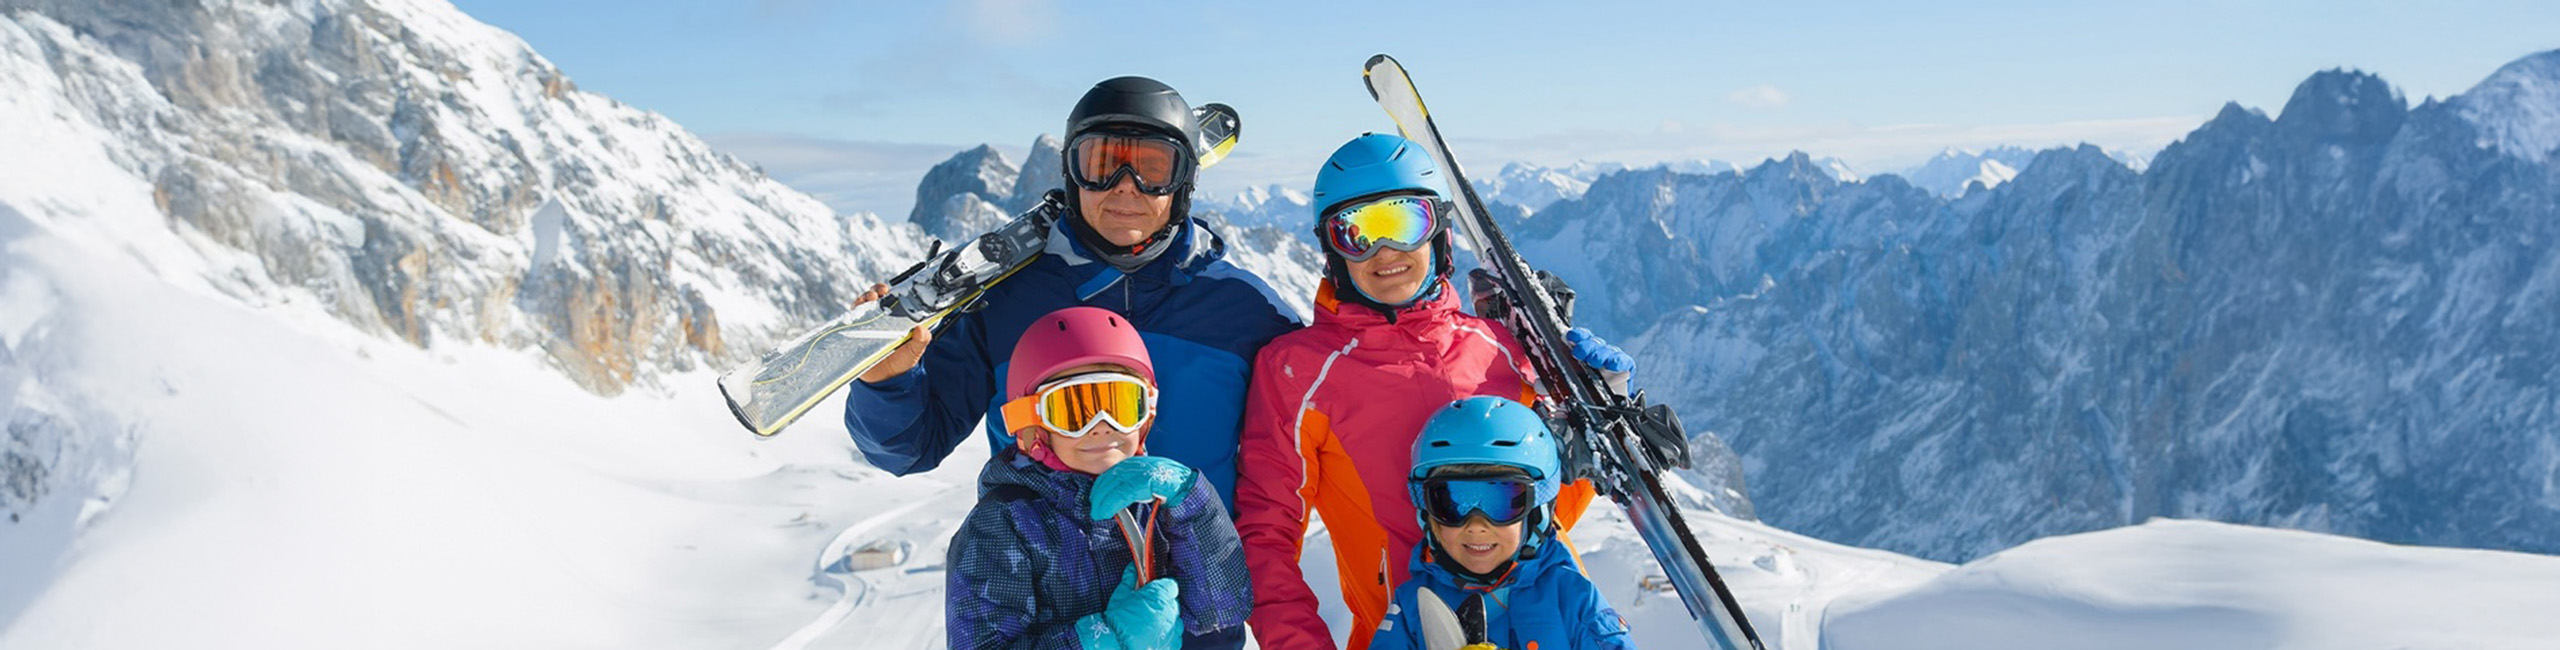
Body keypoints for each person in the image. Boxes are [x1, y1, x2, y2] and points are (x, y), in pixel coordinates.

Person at [1234, 133, 1634, 650]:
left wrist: (1604, 421)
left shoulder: (1500, 346)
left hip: (1552, 629)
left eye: (1404, 223)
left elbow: (1533, 505)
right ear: (1331, 250)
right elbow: (1266, 539)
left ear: (1439, 232)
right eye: (1355, 232)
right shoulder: (1299, 373)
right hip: (1407, 634)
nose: (1385, 252)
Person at [842, 76, 1299, 510]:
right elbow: (910, 448)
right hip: (1040, 580)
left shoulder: (1247, 311)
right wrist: (887, 384)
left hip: (1200, 576)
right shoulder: (1004, 300)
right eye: (1101, 164)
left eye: (1153, 169)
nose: (1125, 185)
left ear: (1183, 184)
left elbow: (1321, 429)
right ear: (1071, 173)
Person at [947, 306, 1253, 650]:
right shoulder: (1004, 524)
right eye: (1075, 410)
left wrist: (1194, 504)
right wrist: (1101, 641)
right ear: (1033, 425)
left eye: (1120, 405)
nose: (1103, 426)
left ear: (1146, 412)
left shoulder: (1158, 504)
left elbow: (1222, 610)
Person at [1369, 396, 1633, 650]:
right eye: (1452, 502)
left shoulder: (1569, 596)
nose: (1476, 525)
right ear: (1427, 511)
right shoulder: (1415, 605)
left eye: (1500, 501)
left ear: (1537, 511)